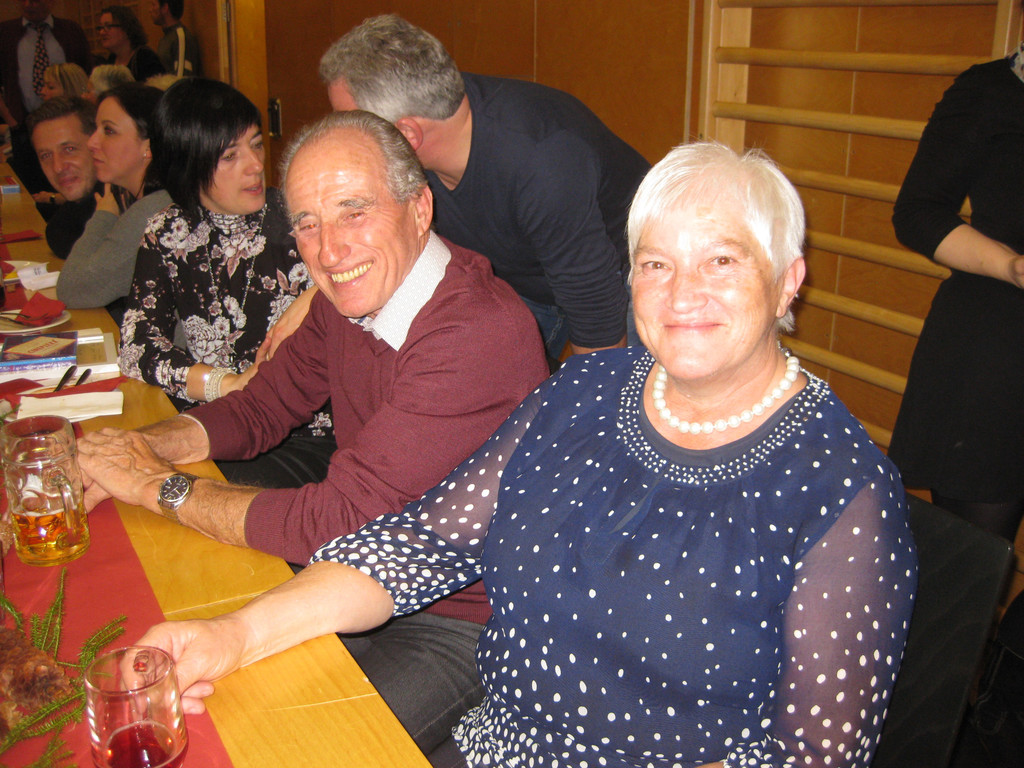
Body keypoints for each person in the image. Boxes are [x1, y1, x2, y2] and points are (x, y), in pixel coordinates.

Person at [124, 141, 917, 768]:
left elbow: (806, 755)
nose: (682, 293)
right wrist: (231, 635)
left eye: (722, 260)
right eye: (656, 263)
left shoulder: (841, 488)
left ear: (787, 280)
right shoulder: (587, 392)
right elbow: (417, 545)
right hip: (492, 747)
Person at [77, 110, 549, 755]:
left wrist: (157, 487)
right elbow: (260, 408)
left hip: (464, 617)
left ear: (420, 209)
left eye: (354, 212)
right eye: (307, 223)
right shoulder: (347, 297)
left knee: (285, 744)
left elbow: (339, 520)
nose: (328, 251)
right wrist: (138, 448)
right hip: (350, 582)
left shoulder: (475, 334)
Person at [320, 14, 650, 361]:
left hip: (621, 270)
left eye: (354, 127)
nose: (346, 141)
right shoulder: (423, 128)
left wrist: (594, 389)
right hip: (525, 271)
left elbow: (594, 311)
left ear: (406, 135)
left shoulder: (542, 160)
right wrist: (315, 300)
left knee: (620, 388)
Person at [889, 45, 1024, 768]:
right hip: (996, 355)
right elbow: (918, 213)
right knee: (964, 595)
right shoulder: (992, 91)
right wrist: (1015, 265)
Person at [120, 78, 333, 486]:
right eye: (230, 156)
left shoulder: (304, 220)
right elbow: (137, 344)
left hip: (302, 434)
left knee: (184, 486)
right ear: (188, 162)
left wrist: (317, 293)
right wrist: (225, 384)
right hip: (216, 421)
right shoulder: (169, 231)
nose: (255, 165)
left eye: (256, 145)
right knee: (130, 461)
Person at [57, 83, 169, 317]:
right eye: (95, 129)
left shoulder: (155, 212)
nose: (91, 143)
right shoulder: (156, 198)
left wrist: (104, 216)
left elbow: (72, 290)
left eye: (108, 131)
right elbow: (57, 232)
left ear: (148, 146)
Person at [0, 0, 92, 194]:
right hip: (21, 124)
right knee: (30, 185)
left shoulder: (70, 31)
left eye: (35, 0)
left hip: (66, 119)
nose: (29, 5)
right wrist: (10, 119)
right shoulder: (5, 33)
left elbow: (85, 70)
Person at [26, 96, 100, 258]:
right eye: (46, 155)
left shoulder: (135, 214)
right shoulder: (62, 226)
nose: (57, 167)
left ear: (97, 145)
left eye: (69, 149)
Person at [97, 5, 165, 82]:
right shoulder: (111, 59)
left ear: (126, 29)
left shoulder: (145, 58)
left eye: (108, 26)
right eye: (100, 28)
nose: (101, 32)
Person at [148, 0, 202, 77]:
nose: (150, 10)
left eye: (153, 5)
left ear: (165, 8)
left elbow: (181, 78)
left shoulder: (180, 37)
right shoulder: (165, 39)